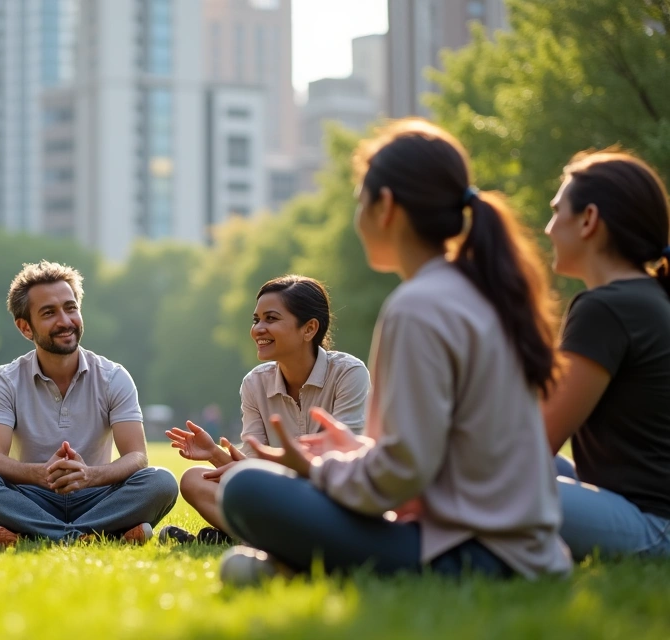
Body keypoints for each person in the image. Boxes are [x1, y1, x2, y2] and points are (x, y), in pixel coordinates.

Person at [216, 119, 571, 583]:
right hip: (526, 548)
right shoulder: (483, 291)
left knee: (247, 488)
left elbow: (399, 476)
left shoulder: (419, 306)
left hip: (478, 555)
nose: (357, 215)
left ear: (385, 207)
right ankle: (296, 568)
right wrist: (357, 450)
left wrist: (317, 468)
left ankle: (295, 568)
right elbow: (434, 455)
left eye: (360, 199)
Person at [0, 261, 178, 546]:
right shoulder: (5, 380)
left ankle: (38, 534)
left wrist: (90, 476)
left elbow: (137, 457)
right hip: (32, 497)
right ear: (25, 328)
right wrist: (41, 474)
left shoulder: (113, 377)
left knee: (161, 482)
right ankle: (94, 535)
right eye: (49, 313)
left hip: (98, 495)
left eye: (70, 308)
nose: (65, 321)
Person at [160, 275, 369, 545]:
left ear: (309, 329)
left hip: (330, 496)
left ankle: (251, 538)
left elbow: (345, 461)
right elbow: (247, 470)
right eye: (256, 319)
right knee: (193, 479)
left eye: (271, 319)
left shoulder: (348, 374)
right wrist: (214, 453)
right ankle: (279, 541)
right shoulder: (254, 383)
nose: (258, 328)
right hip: (281, 498)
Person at [541, 150, 670, 559]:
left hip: (652, 525)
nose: (547, 228)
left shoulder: (606, 307)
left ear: (589, 220)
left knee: (482, 482)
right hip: (634, 508)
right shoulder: (646, 296)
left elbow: (536, 442)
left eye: (557, 210)